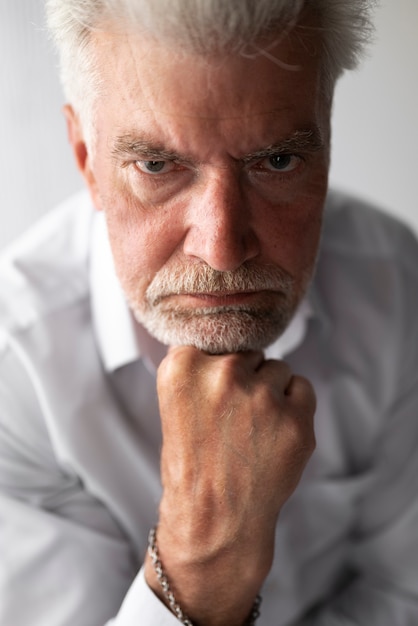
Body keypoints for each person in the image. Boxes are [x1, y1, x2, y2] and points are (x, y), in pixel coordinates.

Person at [1, 0, 418, 624]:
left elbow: (402, 595)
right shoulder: (17, 371)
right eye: (156, 165)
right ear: (87, 159)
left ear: (327, 143)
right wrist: (199, 565)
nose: (222, 250)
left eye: (277, 161)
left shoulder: (396, 286)